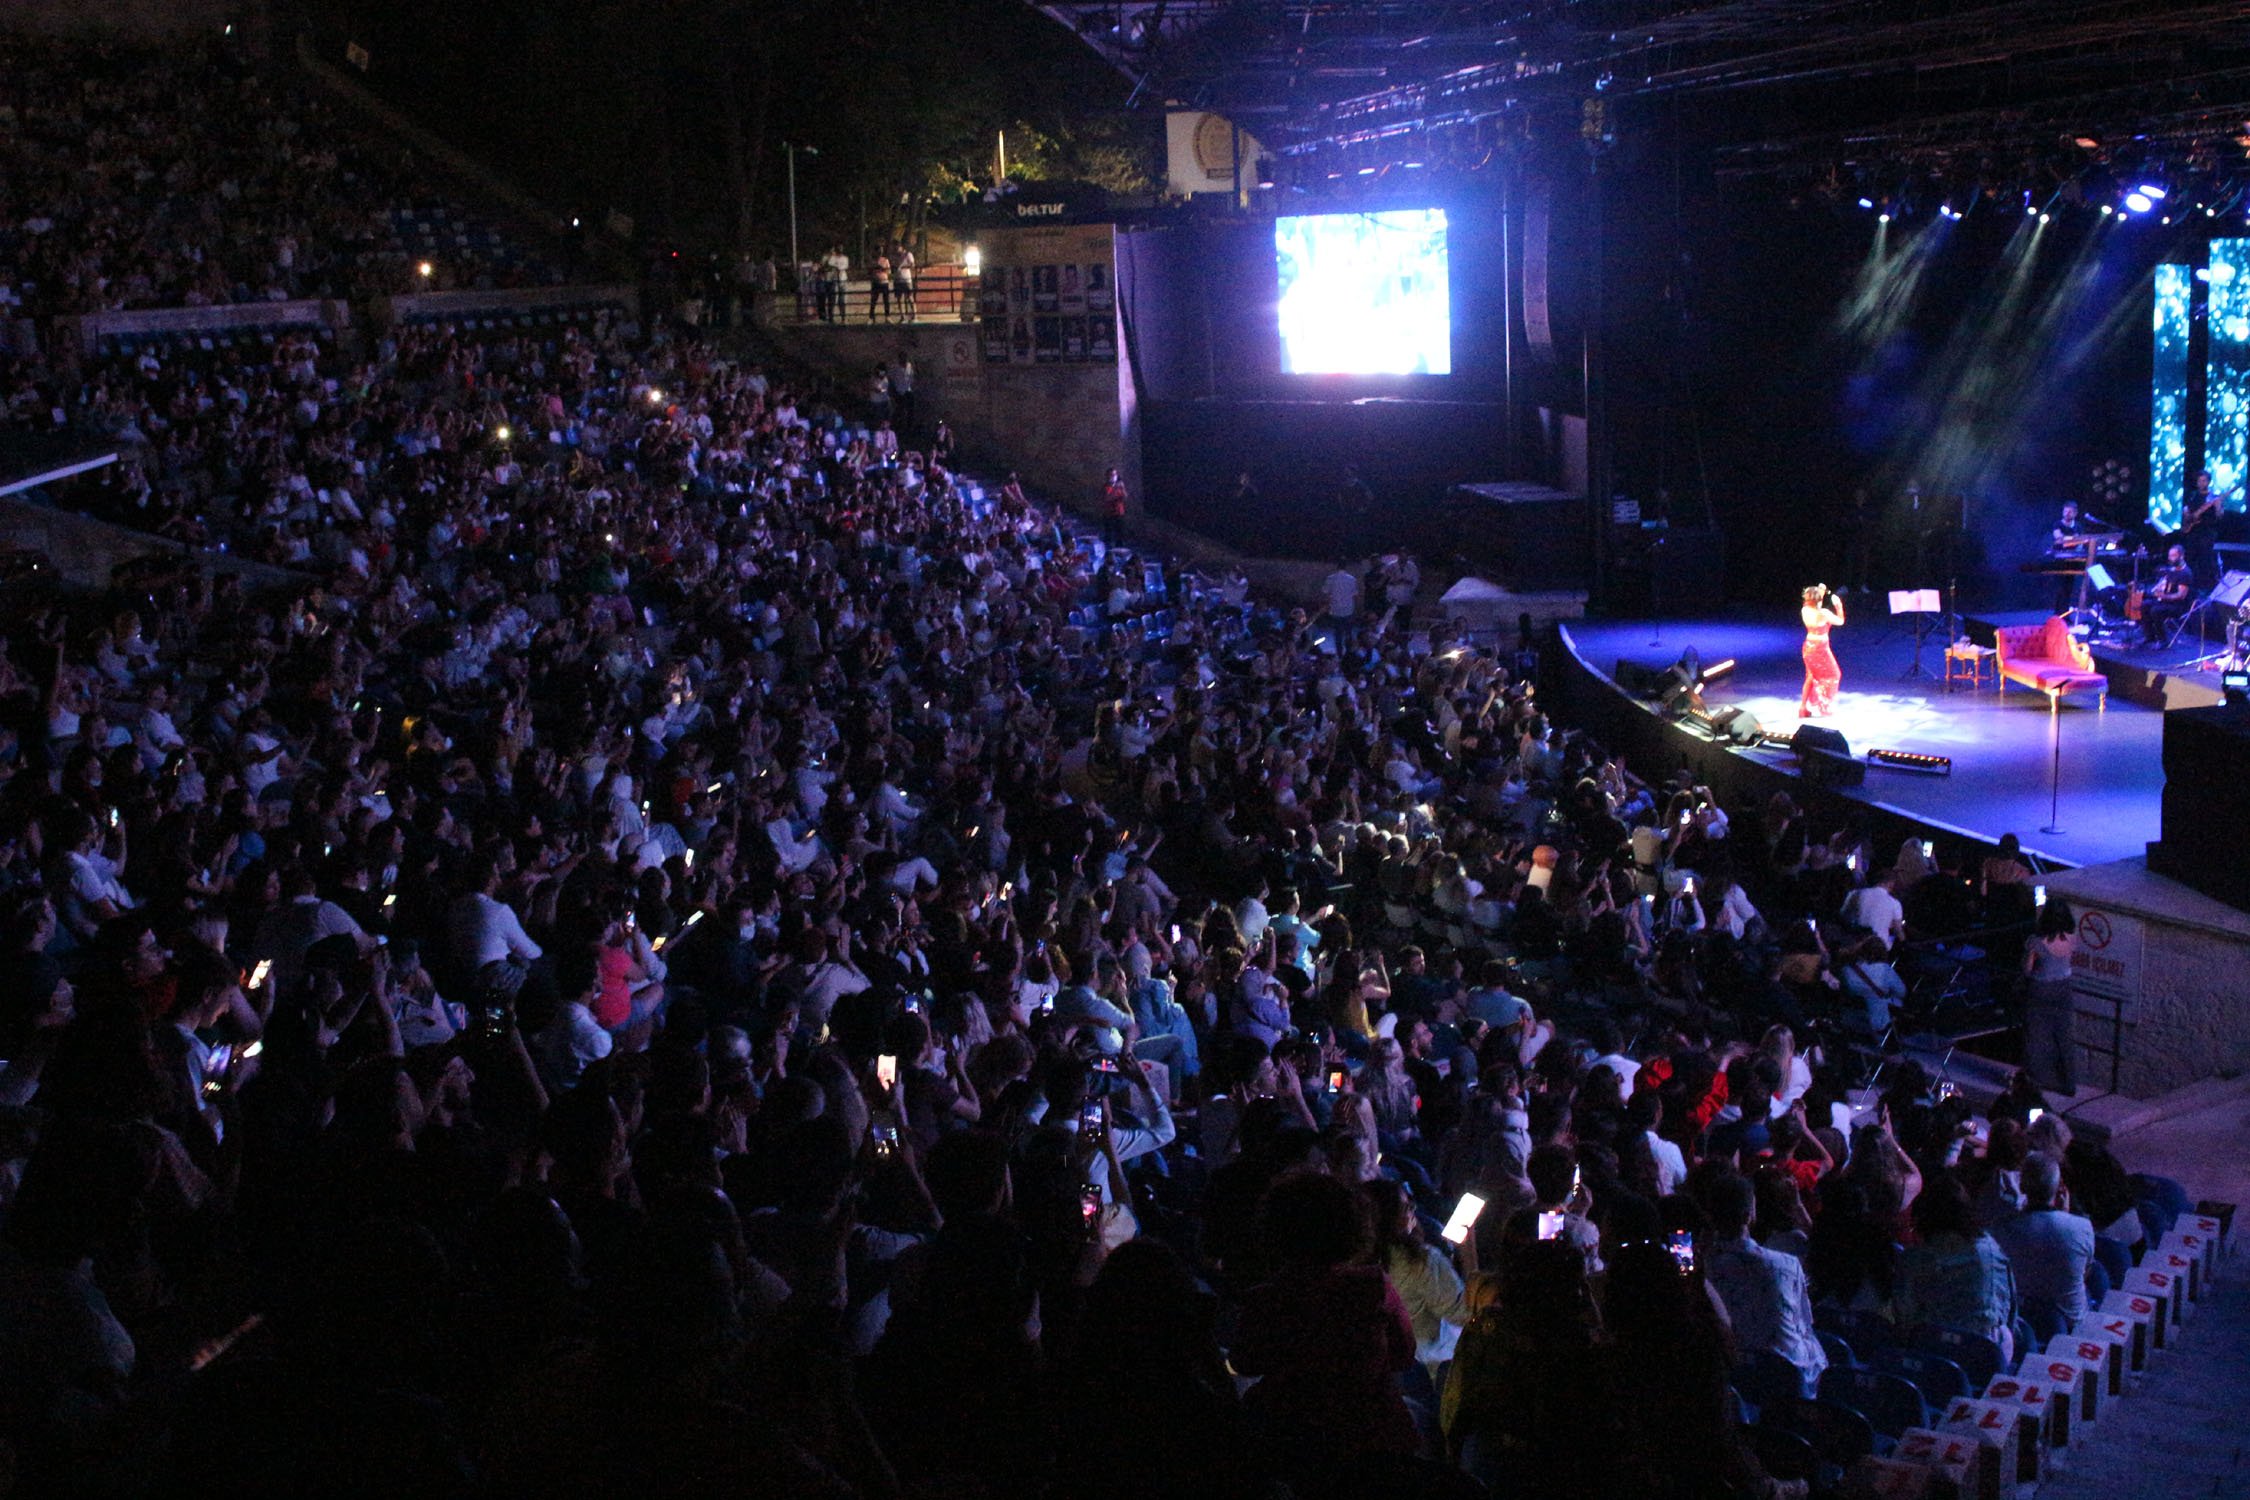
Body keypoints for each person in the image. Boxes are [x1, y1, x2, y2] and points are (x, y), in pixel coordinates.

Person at [1699, 1169, 1826, 1396]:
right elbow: (1804, 1325)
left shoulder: (1699, 1269)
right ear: (1749, 1215)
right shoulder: (1786, 1264)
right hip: (1786, 1380)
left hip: (1727, 1375)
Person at [1893, 1173, 2017, 1361]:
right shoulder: (1990, 1248)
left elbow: (1905, 1318)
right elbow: (2009, 1308)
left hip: (1935, 1350)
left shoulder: (1916, 1257)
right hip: (1990, 1350)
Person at [1991, 1150, 2096, 1337]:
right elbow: (2084, 1273)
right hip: (2070, 1326)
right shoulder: (2082, 1227)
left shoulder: (2001, 1228)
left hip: (2020, 1324)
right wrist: (2066, 1214)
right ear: (2059, 1188)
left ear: (2022, 1186)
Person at [2021, 899, 2078, 1096]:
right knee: (2063, 1035)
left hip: (2040, 988)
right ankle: (2068, 1082)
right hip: (2064, 987)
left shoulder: (2036, 942)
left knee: (2036, 1035)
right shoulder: (2072, 938)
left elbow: (2027, 970)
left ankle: (2036, 1080)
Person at [1797, 583, 1844, 718]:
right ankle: (1825, 705)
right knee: (1834, 674)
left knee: (1811, 677)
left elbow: (1816, 601)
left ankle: (1803, 708)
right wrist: (1838, 605)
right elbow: (1840, 621)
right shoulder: (1824, 613)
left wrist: (1821, 591)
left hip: (1808, 646)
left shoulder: (1805, 609)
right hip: (1820, 649)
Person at [2140, 543, 2196, 646]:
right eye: (2170, 556)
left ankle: (2163, 640)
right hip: (2167, 601)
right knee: (2144, 605)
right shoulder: (2172, 570)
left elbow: (2181, 595)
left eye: (2173, 556)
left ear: (2181, 556)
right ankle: (2150, 636)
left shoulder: (2185, 573)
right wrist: (2159, 589)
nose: (2170, 559)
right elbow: (2165, 585)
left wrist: (2163, 596)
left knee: (2155, 611)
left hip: (2179, 605)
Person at [1100, 467, 1128, 550]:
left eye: (1114, 475)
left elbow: (1125, 497)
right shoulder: (1106, 487)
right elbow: (1107, 498)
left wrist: (1122, 489)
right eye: (1111, 475)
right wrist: (1115, 489)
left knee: (1120, 534)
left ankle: (1120, 549)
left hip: (1119, 513)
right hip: (1109, 514)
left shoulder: (1120, 486)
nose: (1113, 476)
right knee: (1109, 535)